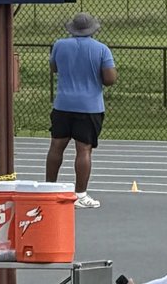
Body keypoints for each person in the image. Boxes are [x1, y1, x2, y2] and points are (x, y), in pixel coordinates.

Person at [46, 12, 116, 209]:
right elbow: (109, 79)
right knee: (84, 149)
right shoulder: (101, 49)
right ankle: (80, 194)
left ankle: (49, 188)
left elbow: (54, 68)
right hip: (89, 105)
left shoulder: (59, 45)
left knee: (56, 146)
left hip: (63, 103)